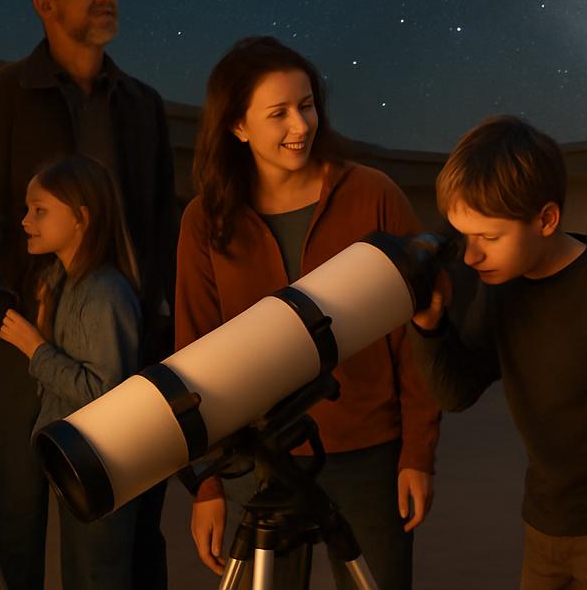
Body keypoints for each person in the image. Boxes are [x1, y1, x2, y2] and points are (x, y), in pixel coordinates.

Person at [0, 0, 178, 590]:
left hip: (118, 343)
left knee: (121, 525)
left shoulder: (141, 104)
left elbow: (159, 222)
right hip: (21, 349)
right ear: (44, 5)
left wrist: (157, 316)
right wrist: (14, 321)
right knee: (15, 524)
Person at [175, 36, 440, 590]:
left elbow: (415, 336)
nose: (301, 124)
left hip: (368, 452)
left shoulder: (374, 194)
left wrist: (418, 451)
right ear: (238, 126)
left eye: (307, 105)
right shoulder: (205, 221)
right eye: (278, 113)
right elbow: (193, 352)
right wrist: (208, 485)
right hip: (256, 459)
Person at [410, 115, 587, 590]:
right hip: (545, 525)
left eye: (489, 237)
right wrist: (430, 327)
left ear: (546, 219)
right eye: (465, 237)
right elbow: (456, 392)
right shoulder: (501, 287)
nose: (470, 256)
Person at [0, 156, 145, 587]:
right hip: (79, 460)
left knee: (98, 573)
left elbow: (106, 392)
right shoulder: (63, 282)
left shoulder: (103, 292)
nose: (25, 221)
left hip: (103, 461)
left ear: (81, 218)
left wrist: (33, 346)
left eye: (40, 210)